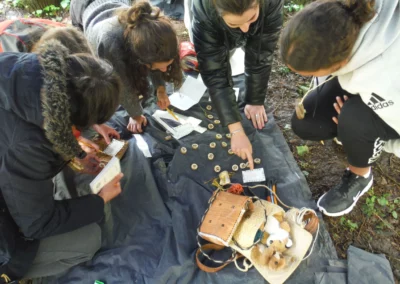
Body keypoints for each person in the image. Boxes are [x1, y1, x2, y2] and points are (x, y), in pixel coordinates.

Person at [0, 38, 123, 281]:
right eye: (86, 123)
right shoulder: (28, 147)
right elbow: (36, 224)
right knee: (88, 240)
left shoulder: (25, 68)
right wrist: (98, 201)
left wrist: (80, 143)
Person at [280, 0, 400, 216]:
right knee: (308, 122)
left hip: (392, 101)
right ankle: (352, 129)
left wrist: (372, 139)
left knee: (355, 119)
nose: (308, 78)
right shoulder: (341, 14)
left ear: (341, 61)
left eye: (312, 73)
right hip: (364, 80)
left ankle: (360, 175)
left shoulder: (389, 75)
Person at [187, 0, 283, 169]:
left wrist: (255, 100)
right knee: (221, 55)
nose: (246, 29)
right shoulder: (204, 12)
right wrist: (236, 130)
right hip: (210, 23)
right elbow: (215, 71)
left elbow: (261, 54)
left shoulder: (271, 4)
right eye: (234, 23)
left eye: (251, 18)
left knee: (250, 41)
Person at [70, 0, 183, 134]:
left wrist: (160, 89)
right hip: (83, 6)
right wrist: (135, 115)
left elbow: (156, 58)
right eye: (159, 67)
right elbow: (122, 84)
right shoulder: (109, 42)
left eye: (167, 66)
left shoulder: (152, 30)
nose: (164, 70)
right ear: (140, 57)